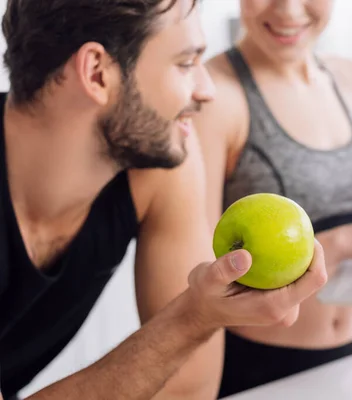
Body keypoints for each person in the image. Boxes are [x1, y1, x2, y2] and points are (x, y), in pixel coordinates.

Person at [0, 1, 328, 399]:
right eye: (186, 63)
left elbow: (187, 391)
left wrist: (197, 316)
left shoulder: (160, 160)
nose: (207, 90)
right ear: (97, 72)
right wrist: (192, 318)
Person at [192, 0, 352, 397]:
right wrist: (349, 241)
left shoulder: (348, 77)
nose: (289, 10)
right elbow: (199, 272)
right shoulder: (212, 96)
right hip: (268, 366)